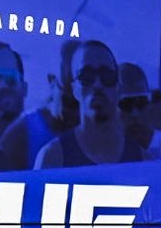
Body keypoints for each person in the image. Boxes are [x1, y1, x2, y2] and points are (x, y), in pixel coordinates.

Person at [35, 40, 144, 168]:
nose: (97, 85)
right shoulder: (52, 158)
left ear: (118, 89)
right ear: (74, 89)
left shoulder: (144, 161)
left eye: (106, 75)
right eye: (86, 76)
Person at [0, 39, 77, 171]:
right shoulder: (19, 135)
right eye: (71, 103)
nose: (77, 114)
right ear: (51, 81)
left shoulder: (102, 127)